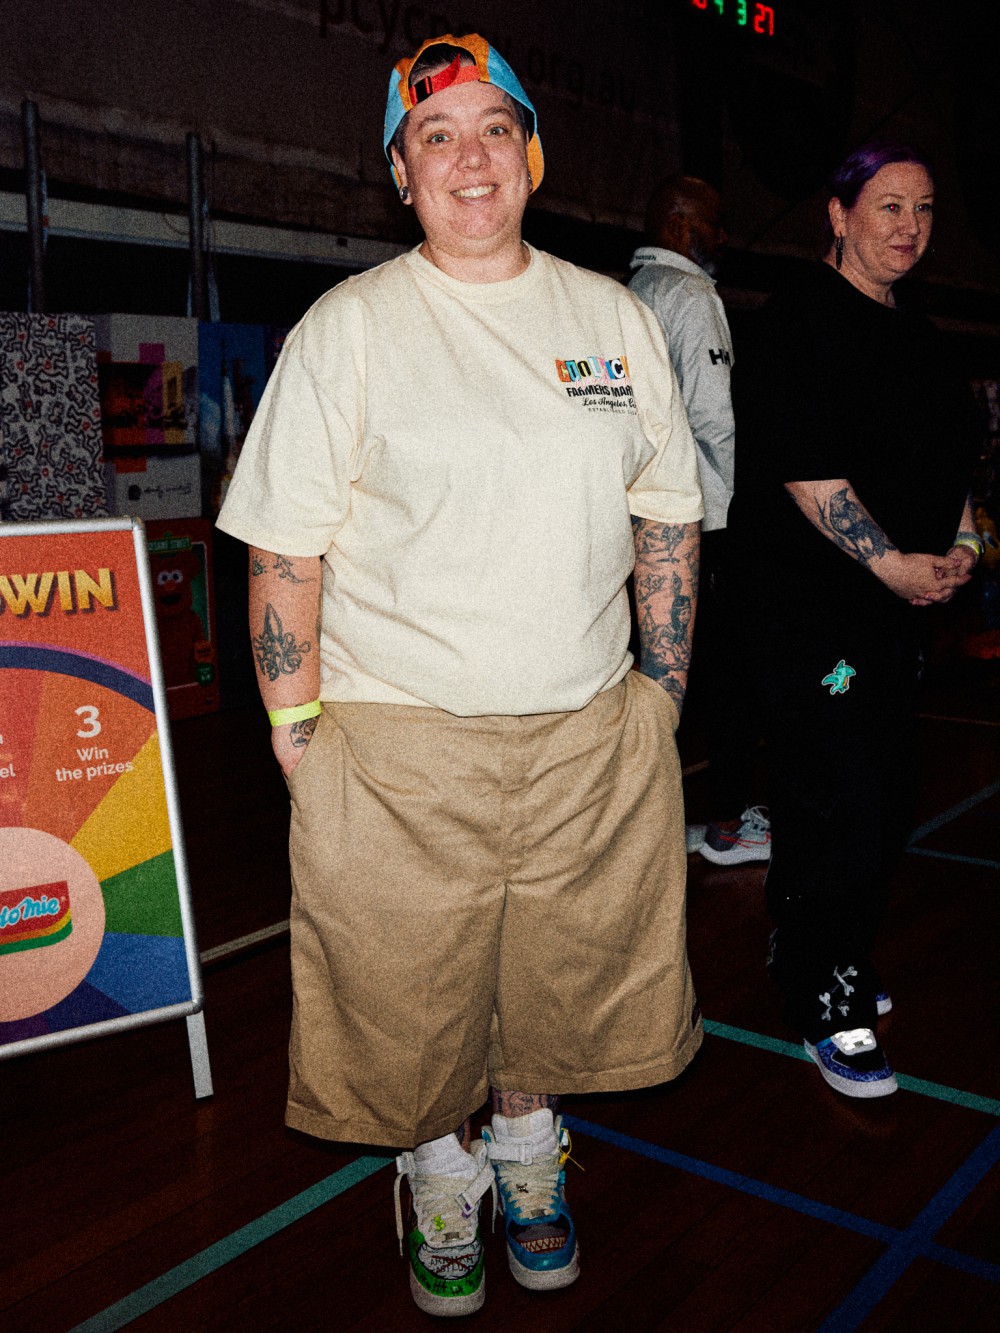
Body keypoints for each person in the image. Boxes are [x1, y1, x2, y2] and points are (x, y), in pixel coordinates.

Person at [217, 33, 705, 1317]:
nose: (469, 157)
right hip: (396, 742)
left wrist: (659, 695)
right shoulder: (349, 329)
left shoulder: (613, 320)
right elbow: (283, 547)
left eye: (495, 128)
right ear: (400, 173)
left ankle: (529, 1157)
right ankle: (439, 1175)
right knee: (404, 997)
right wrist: (294, 731)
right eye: (435, 135)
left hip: (583, 735)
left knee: (550, 983)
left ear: (533, 154)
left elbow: (666, 518)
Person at [728, 141, 981, 1098]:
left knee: (885, 792)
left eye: (924, 208)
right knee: (838, 793)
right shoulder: (798, 321)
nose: (909, 226)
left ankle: (816, 943)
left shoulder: (921, 335)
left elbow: (950, 467)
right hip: (814, 617)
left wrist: (964, 543)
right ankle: (822, 993)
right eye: (888, 205)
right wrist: (889, 564)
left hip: (896, 615)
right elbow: (807, 471)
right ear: (838, 215)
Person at [629, 176, 770, 867]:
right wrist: (761, 508)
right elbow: (719, 419)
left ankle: (654, 825)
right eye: (713, 223)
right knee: (729, 675)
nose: (722, 237)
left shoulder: (628, 294)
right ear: (682, 224)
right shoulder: (690, 295)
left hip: (642, 526)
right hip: (709, 522)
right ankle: (732, 824)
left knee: (659, 677)